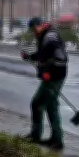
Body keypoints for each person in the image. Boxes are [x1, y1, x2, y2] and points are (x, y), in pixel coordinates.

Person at [20, 17, 68, 150]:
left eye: (34, 29)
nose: (33, 32)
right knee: (47, 105)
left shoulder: (50, 36)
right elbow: (43, 54)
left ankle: (51, 139)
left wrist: (48, 72)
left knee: (41, 104)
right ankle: (54, 139)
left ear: (39, 25)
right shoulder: (44, 35)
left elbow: (59, 57)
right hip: (52, 76)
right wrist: (30, 56)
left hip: (55, 77)